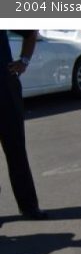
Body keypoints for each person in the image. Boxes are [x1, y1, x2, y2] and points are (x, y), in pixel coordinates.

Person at [0, 29, 46, 220]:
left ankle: (28, 206)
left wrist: (24, 61)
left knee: (16, 148)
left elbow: (30, 32)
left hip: (5, 91)